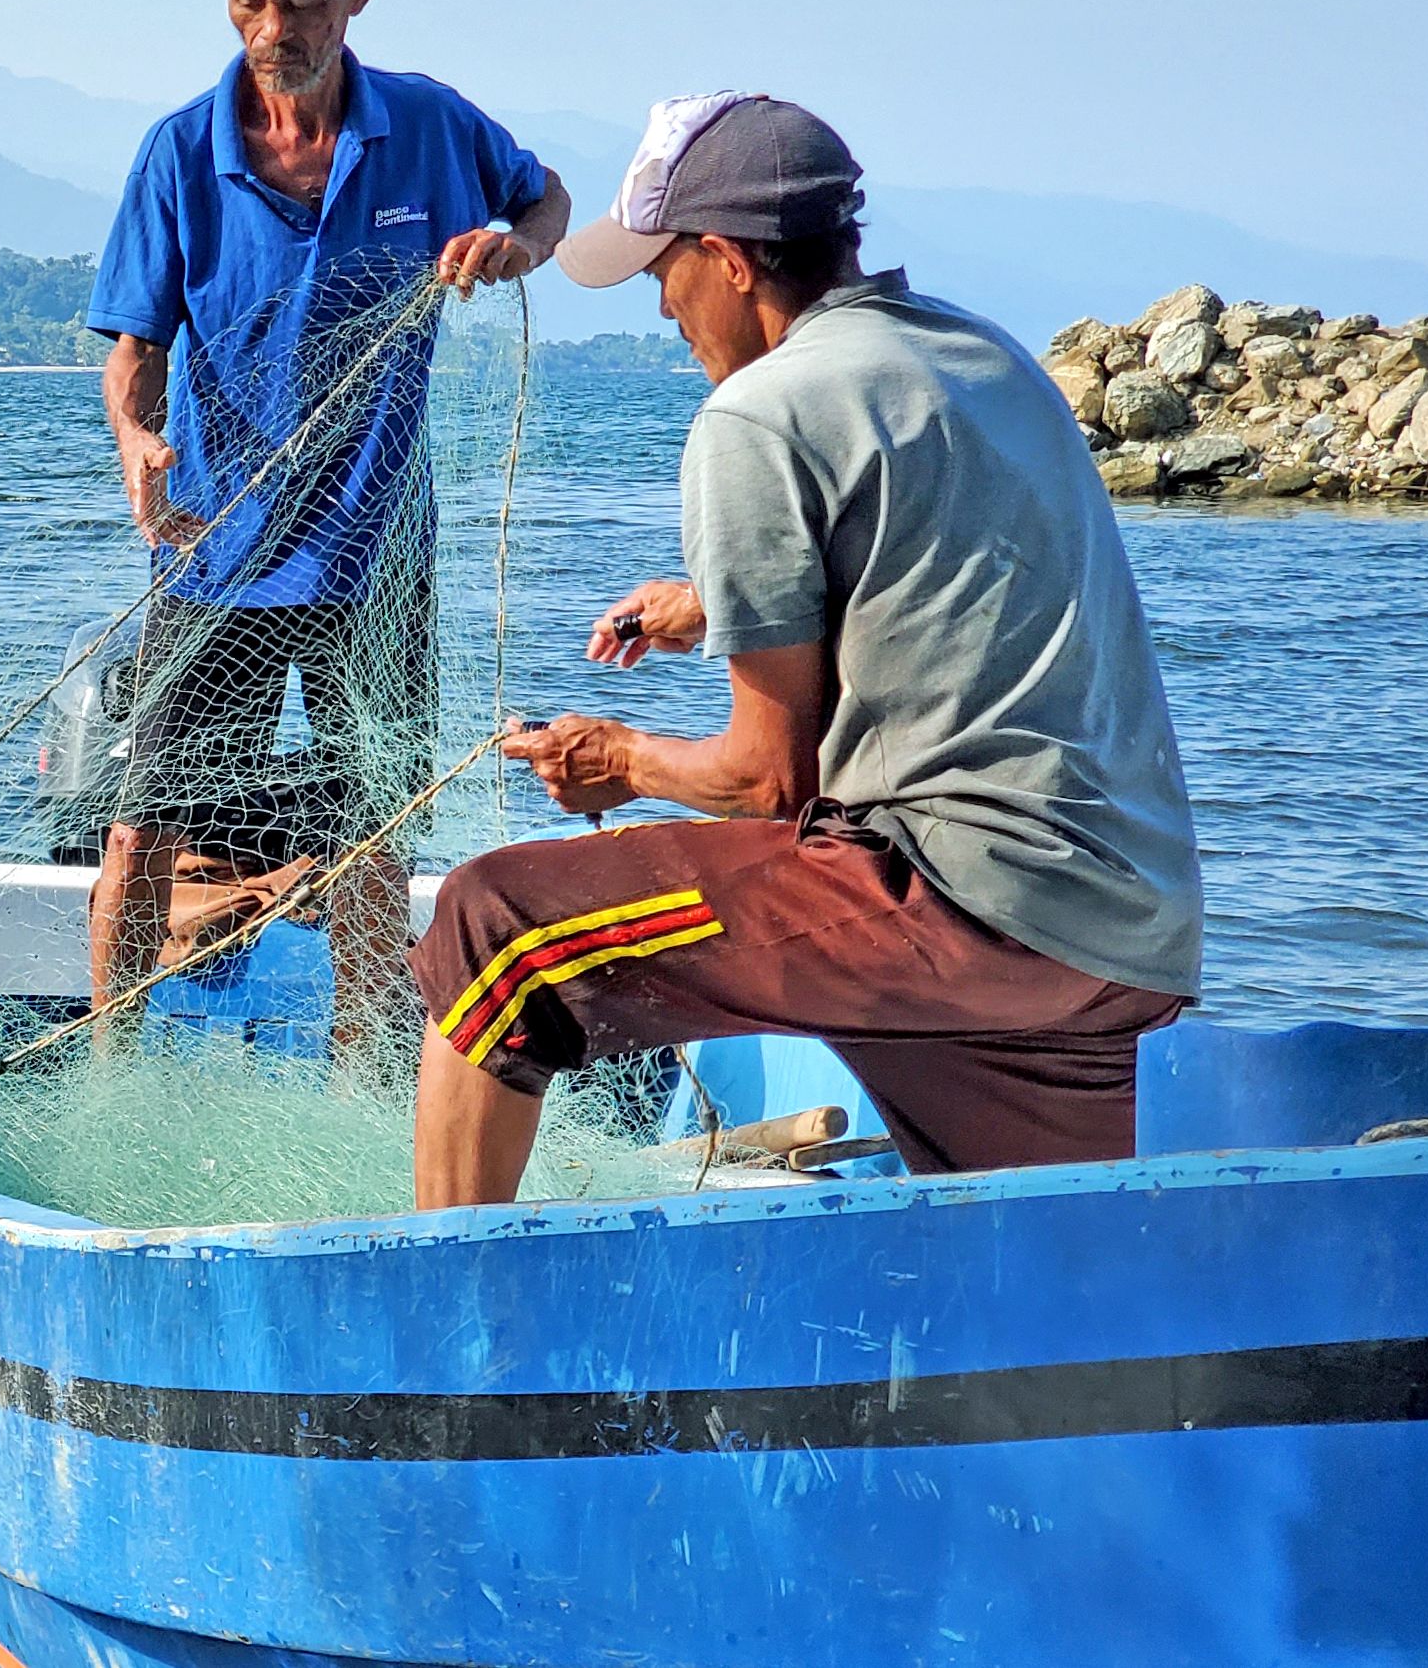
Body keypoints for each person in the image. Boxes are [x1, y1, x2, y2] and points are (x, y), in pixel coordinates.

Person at [407, 93, 1207, 1208]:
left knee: (496, 930)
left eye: (661, 274)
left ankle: (445, 1314)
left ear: (729, 261)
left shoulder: (756, 413)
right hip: (1125, 936)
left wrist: (617, 759)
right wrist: (715, 604)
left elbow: (767, 781)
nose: (661, 309)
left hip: (957, 911)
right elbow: (945, 566)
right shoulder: (984, 356)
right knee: (1038, 1248)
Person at [81, 0, 571, 1056]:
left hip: (375, 550)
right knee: (144, 826)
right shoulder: (179, 155)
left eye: (300, 1)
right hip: (215, 554)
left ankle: (364, 1077)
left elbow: (545, 199)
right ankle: (107, 1059)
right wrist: (137, 442)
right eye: (250, 0)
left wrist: (517, 248)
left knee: (371, 830)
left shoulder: (432, 128)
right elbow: (133, 351)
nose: (273, 28)